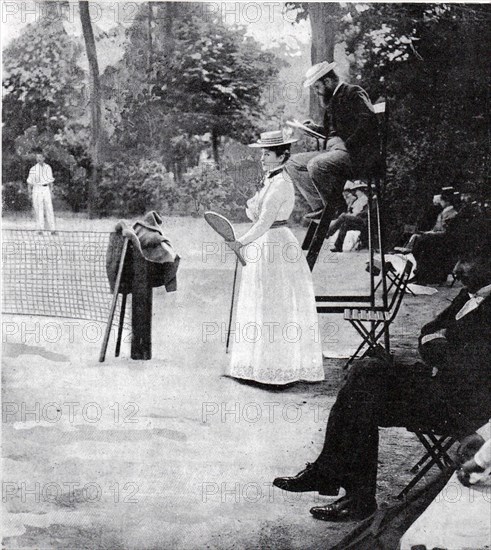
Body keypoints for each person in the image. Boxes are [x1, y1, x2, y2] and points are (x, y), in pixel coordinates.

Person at [273, 239, 491, 521]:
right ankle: (346, 488)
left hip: (461, 408)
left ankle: (338, 481)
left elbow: (468, 365)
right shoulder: (468, 294)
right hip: (439, 387)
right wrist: (438, 344)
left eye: (466, 261)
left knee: (363, 390)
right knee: (364, 377)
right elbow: (427, 333)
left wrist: (438, 345)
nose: (457, 269)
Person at [225, 131, 324, 386]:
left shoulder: (281, 184)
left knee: (274, 306)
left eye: (267, 153)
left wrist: (240, 242)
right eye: (261, 152)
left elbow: (264, 222)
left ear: (282, 155)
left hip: (276, 245)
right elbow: (255, 212)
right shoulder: (270, 181)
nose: (261, 157)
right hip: (266, 244)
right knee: (259, 303)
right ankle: (254, 367)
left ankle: (277, 371)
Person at [285, 61, 379, 220]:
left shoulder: (353, 92)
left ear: (327, 82)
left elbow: (369, 122)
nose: (316, 92)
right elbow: (333, 133)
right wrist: (314, 129)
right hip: (335, 153)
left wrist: (347, 145)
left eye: (317, 87)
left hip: (357, 156)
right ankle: (324, 206)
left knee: (316, 164)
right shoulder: (332, 102)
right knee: (292, 163)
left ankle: (335, 208)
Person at [325, 180, 369, 252]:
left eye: (357, 190)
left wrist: (349, 215)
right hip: (357, 220)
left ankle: (328, 232)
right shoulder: (357, 200)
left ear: (361, 190)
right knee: (344, 224)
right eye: (355, 190)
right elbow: (352, 211)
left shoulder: (365, 199)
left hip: (364, 220)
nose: (355, 192)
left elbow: (359, 213)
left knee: (343, 216)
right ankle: (338, 246)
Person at [27, 150, 57, 233]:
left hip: (46, 189)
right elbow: (29, 183)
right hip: (37, 189)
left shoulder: (48, 168)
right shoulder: (33, 169)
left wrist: (52, 191)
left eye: (40, 157)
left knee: (49, 208)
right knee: (38, 208)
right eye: (37, 157)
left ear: (44, 158)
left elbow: (51, 181)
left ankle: (52, 229)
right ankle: (40, 229)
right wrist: (29, 193)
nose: (38, 159)